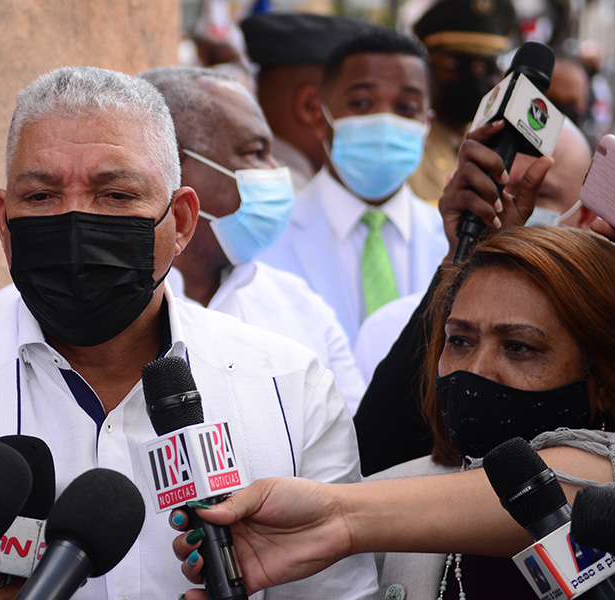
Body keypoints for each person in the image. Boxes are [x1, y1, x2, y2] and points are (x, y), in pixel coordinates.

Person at [0, 66, 377, 600]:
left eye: (116, 195)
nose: (76, 223)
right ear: (4, 223)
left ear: (181, 221)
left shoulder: (291, 391)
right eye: (42, 196)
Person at [171, 226, 615, 597]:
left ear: (605, 379)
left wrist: (337, 518)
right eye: (459, 341)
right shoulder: (394, 492)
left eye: (519, 347)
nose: (476, 370)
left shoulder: (371, 512)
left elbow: (565, 485)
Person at [140, 65, 366, 413]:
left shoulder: (301, 307)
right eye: (255, 152)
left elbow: (353, 434)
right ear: (175, 163)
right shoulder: (117, 313)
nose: (275, 172)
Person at [353, 119, 595, 387]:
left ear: (586, 215)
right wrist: (463, 260)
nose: (503, 206)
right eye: (460, 342)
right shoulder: (391, 328)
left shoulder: (607, 329)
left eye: (537, 194)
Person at [259, 27, 447, 344]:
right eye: (361, 103)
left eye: (406, 107)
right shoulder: (269, 240)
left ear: (426, 126)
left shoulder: (450, 242)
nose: (384, 121)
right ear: (319, 118)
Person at [239, 12, 367, 190]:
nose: (375, 119)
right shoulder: (291, 196)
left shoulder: (251, 183)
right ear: (311, 107)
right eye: (361, 103)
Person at [408, 0, 518, 203]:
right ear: (426, 65)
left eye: (488, 68)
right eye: (459, 65)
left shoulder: (501, 147)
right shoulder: (406, 144)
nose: (476, 77)